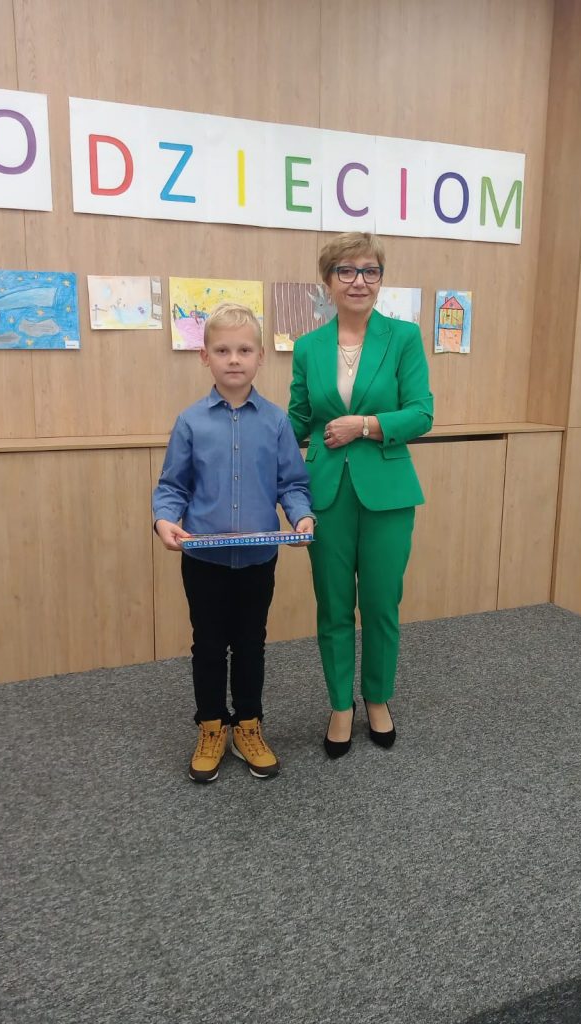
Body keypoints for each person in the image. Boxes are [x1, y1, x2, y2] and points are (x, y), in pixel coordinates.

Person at [153, 302, 314, 783]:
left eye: (244, 350)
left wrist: (302, 516)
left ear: (261, 357)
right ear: (205, 357)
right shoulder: (190, 422)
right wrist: (164, 520)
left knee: (250, 644)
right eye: (222, 350)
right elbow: (172, 487)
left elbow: (292, 483)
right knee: (207, 645)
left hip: (258, 559)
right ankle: (210, 727)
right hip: (203, 561)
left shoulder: (277, 423)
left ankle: (248, 725)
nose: (234, 359)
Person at [288, 232, 433, 758]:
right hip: (326, 492)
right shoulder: (308, 347)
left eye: (370, 271)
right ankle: (339, 706)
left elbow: (421, 412)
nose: (359, 281)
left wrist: (365, 425)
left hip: (388, 492)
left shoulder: (404, 337)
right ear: (328, 280)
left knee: (380, 602)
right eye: (346, 271)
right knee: (332, 605)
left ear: (380, 279)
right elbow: (297, 419)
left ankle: (377, 698)